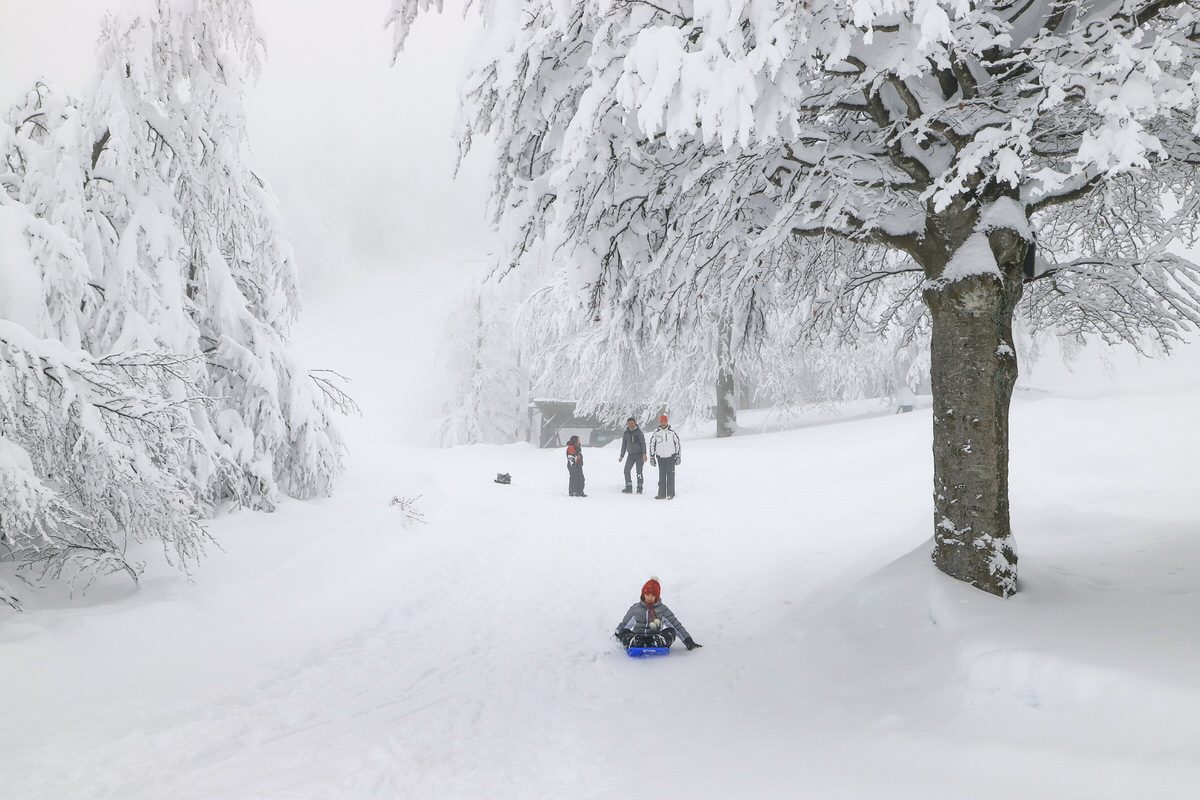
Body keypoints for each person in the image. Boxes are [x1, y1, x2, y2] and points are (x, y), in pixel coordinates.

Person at [613, 577, 702, 650]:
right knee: (624, 632)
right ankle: (634, 642)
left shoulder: (662, 610)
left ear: (657, 595)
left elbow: (676, 625)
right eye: (647, 594)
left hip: (655, 638)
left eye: (653, 595)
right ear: (643, 594)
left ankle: (658, 641)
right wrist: (615, 638)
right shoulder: (635, 608)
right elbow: (624, 625)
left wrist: (688, 641)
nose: (649, 597)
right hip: (637, 638)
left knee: (671, 631)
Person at [648, 414, 681, 500]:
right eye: (662, 421)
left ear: (667, 422)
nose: (663, 423)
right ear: (660, 422)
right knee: (662, 476)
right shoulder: (656, 433)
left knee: (670, 476)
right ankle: (661, 494)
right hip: (660, 457)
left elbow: (677, 444)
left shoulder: (672, 432)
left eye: (665, 421)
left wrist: (678, 456)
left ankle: (670, 494)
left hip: (671, 457)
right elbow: (652, 445)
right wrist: (652, 457)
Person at [617, 417, 647, 494]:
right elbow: (624, 445)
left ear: (635, 423)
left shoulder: (639, 433)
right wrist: (621, 456)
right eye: (629, 424)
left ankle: (639, 488)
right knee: (626, 471)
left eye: (632, 423)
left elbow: (643, 444)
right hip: (630, 455)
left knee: (639, 472)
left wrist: (644, 454)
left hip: (639, 455)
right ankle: (628, 487)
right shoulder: (626, 433)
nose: (631, 425)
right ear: (627, 424)